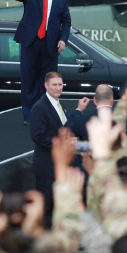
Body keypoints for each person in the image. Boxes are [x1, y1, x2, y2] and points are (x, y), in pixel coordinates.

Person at [7, 0, 71, 123]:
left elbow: (66, 22)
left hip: (50, 44)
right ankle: (29, 116)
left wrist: (63, 39)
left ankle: (45, 115)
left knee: (47, 81)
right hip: (31, 42)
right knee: (28, 79)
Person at [29, 71, 86, 224]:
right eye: (54, 85)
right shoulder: (39, 107)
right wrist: (63, 144)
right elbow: (38, 136)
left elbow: (64, 128)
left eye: (60, 84)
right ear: (46, 86)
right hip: (46, 166)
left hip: (59, 165)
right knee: (47, 208)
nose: (58, 88)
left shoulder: (60, 104)